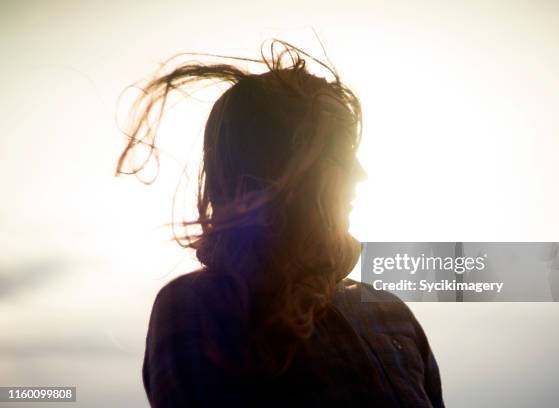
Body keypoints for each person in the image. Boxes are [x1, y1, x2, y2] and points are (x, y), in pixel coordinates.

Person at [116, 39, 445, 407]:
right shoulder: (199, 307)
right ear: (278, 170)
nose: (360, 173)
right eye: (338, 154)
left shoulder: (389, 312)